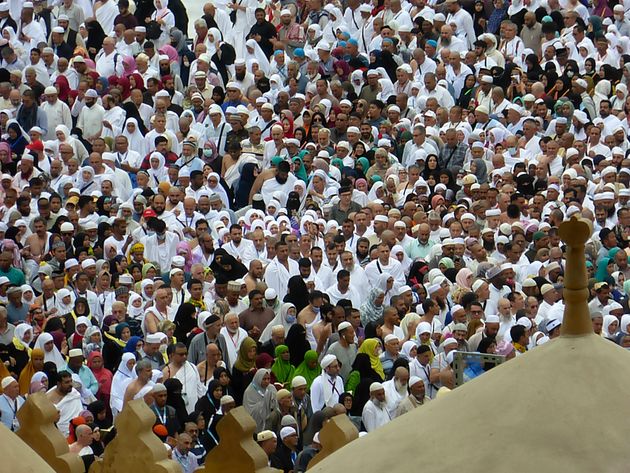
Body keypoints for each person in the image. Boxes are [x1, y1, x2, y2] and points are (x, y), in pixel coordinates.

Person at [46, 370, 83, 437]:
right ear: (59, 383)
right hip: (57, 434)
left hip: (76, 432)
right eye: (67, 382)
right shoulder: (48, 397)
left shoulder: (74, 394)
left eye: (71, 381)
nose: (70, 384)